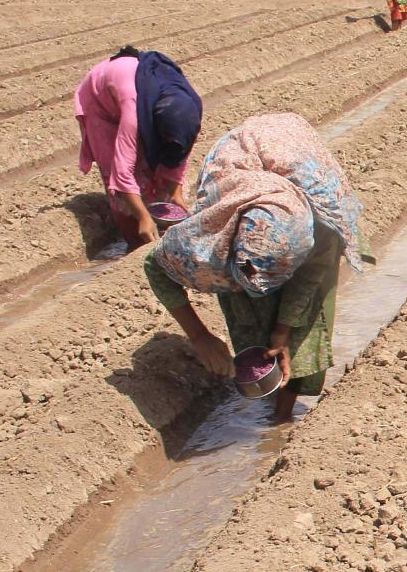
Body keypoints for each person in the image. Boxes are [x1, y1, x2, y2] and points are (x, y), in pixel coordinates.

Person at [145, 113, 372, 420]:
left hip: (294, 161)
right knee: (248, 311)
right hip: (240, 170)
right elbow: (155, 266)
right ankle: (267, 386)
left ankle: (281, 413)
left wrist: (282, 333)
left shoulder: (321, 227)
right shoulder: (213, 229)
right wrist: (200, 336)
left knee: (307, 321)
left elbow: (308, 279)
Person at [74, 47, 204, 249]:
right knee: (125, 184)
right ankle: (134, 242)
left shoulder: (188, 105)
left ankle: (160, 229)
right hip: (101, 101)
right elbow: (121, 170)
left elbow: (178, 154)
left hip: (141, 97)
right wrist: (143, 217)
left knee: (160, 178)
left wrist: (175, 194)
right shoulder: (134, 109)